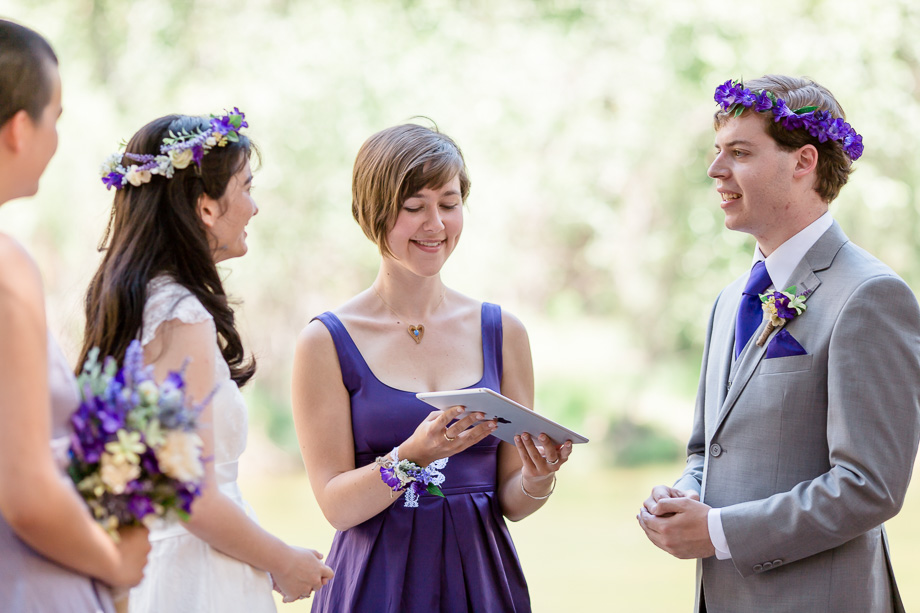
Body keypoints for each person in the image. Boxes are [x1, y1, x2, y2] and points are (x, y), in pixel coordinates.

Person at [637, 75, 920, 613]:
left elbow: (870, 487)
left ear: (803, 161)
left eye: (739, 152)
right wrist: (684, 494)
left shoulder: (870, 296)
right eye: (717, 151)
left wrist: (719, 532)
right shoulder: (728, 302)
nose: (715, 170)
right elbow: (707, 450)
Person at [291, 122, 573, 613]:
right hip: (375, 582)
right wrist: (413, 455)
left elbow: (510, 501)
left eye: (448, 204)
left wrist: (538, 477)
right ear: (371, 213)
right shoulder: (325, 342)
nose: (436, 225)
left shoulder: (504, 332)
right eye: (413, 207)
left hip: (481, 581)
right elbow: (336, 504)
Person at [78, 108, 333, 612]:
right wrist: (283, 560)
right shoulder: (179, 312)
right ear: (206, 208)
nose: (255, 207)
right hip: (199, 578)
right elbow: (191, 494)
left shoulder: (136, 299)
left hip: (159, 562)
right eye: (246, 187)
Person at [0, 19, 151, 612]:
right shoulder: (6, 267)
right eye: (55, 117)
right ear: (18, 129)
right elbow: (27, 492)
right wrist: (114, 562)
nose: (56, 138)